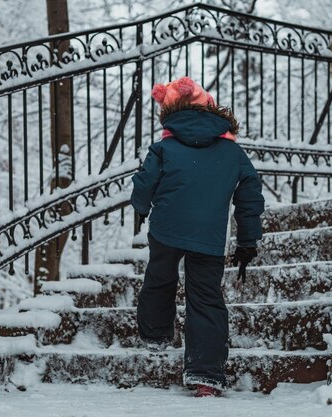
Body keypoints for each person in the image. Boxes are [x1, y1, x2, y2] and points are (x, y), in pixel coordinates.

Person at [131, 76, 265, 397]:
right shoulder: (233, 153)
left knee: (160, 278)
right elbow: (250, 195)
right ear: (210, 106)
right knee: (205, 296)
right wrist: (247, 240)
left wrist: (140, 207)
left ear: (169, 112)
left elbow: (144, 181)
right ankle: (206, 375)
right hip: (208, 234)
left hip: (166, 227)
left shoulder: (163, 147)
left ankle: (156, 336)